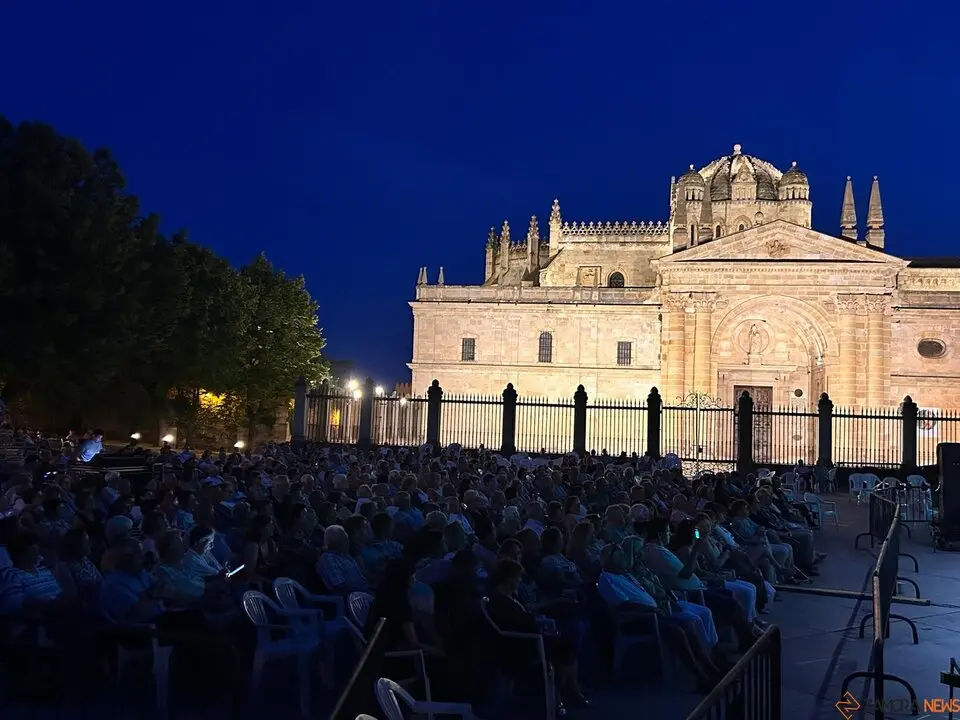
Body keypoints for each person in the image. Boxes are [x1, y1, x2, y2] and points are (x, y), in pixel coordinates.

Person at [487, 559, 589, 712]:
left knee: (569, 639)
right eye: (518, 577)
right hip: (521, 648)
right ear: (509, 579)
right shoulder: (502, 602)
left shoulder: (507, 597)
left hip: (527, 640)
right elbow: (522, 623)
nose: (520, 580)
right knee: (569, 646)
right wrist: (542, 625)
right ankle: (561, 696)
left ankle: (565, 693)